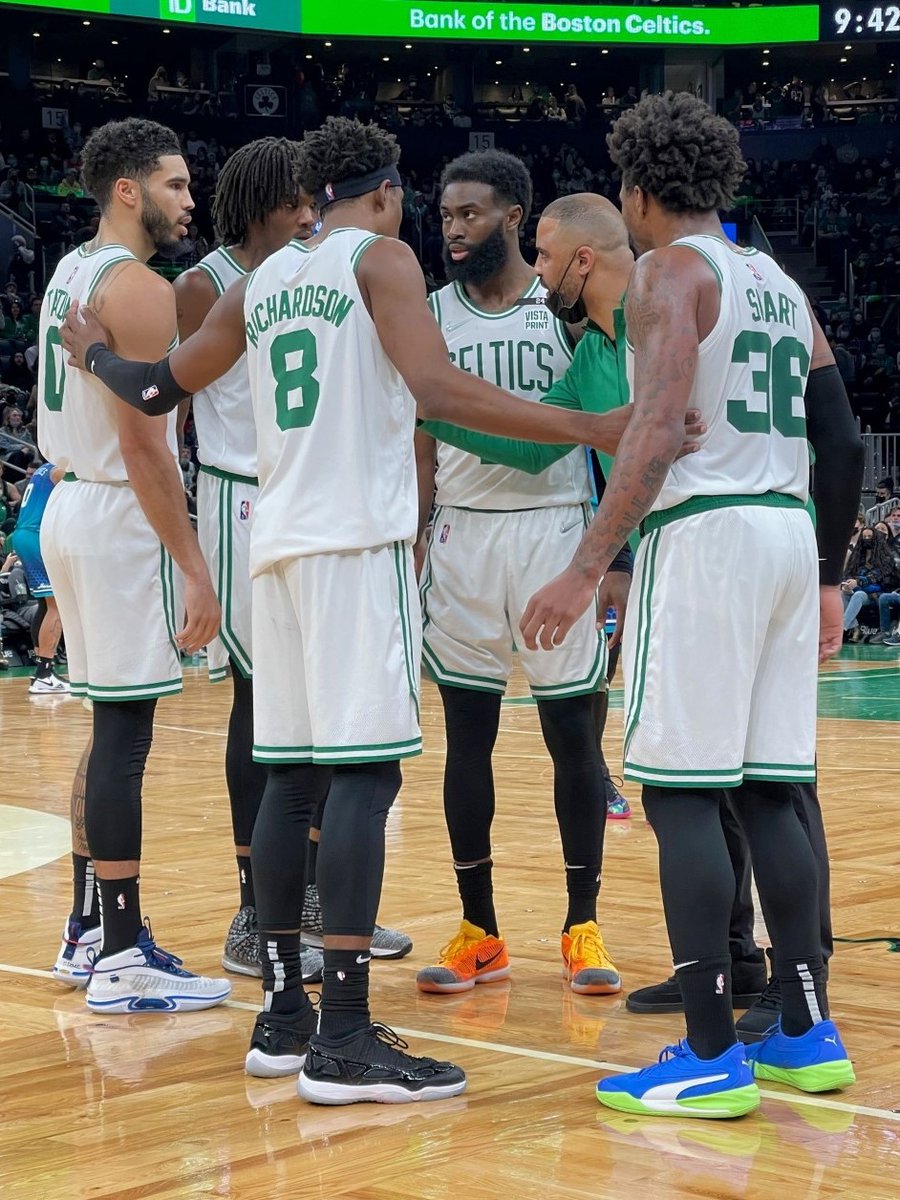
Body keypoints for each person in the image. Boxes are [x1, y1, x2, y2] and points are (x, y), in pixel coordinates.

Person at [60, 116, 634, 1104]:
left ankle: (284, 1020)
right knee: (363, 782)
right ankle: (348, 1037)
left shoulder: (263, 279)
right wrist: (589, 422)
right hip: (356, 549)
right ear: (389, 191)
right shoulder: (386, 259)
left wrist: (93, 358)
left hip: (272, 552)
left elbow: (156, 389)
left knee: (288, 784)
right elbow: (436, 386)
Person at [520, 93, 863, 1117]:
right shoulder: (776, 278)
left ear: (634, 189)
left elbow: (659, 428)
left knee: (678, 793)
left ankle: (710, 1054)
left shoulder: (671, 272)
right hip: (785, 532)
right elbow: (841, 438)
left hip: (706, 535)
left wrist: (586, 566)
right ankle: (806, 1028)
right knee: (768, 792)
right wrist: (834, 573)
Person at [413, 152, 625, 999]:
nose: (454, 228)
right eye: (446, 214)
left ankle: (583, 926)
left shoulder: (567, 307)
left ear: (514, 215)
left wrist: (611, 557)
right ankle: (480, 930)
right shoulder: (428, 313)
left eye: (471, 213)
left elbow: (612, 424)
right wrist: (420, 526)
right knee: (468, 740)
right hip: (463, 539)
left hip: (555, 533)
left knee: (573, 741)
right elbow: (422, 440)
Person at [41, 117, 230, 1014]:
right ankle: (121, 952)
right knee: (124, 737)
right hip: (119, 512)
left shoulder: (66, 275)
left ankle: (86, 931)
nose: (190, 200)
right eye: (176, 184)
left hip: (70, 503)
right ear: (129, 190)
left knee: (104, 726)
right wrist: (193, 564)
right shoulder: (139, 288)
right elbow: (150, 451)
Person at [174, 137, 328, 991]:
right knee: (259, 698)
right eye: (296, 199)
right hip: (238, 497)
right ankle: (251, 903)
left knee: (318, 700)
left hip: (305, 495)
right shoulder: (202, 284)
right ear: (260, 199)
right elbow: (169, 407)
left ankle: (312, 896)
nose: (310, 212)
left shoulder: (314, 271)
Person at [7, 460, 70, 693]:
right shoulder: (60, 469)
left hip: (24, 535)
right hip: (35, 536)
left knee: (45, 604)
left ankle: (43, 672)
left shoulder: (44, 468)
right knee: (57, 606)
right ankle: (44, 673)